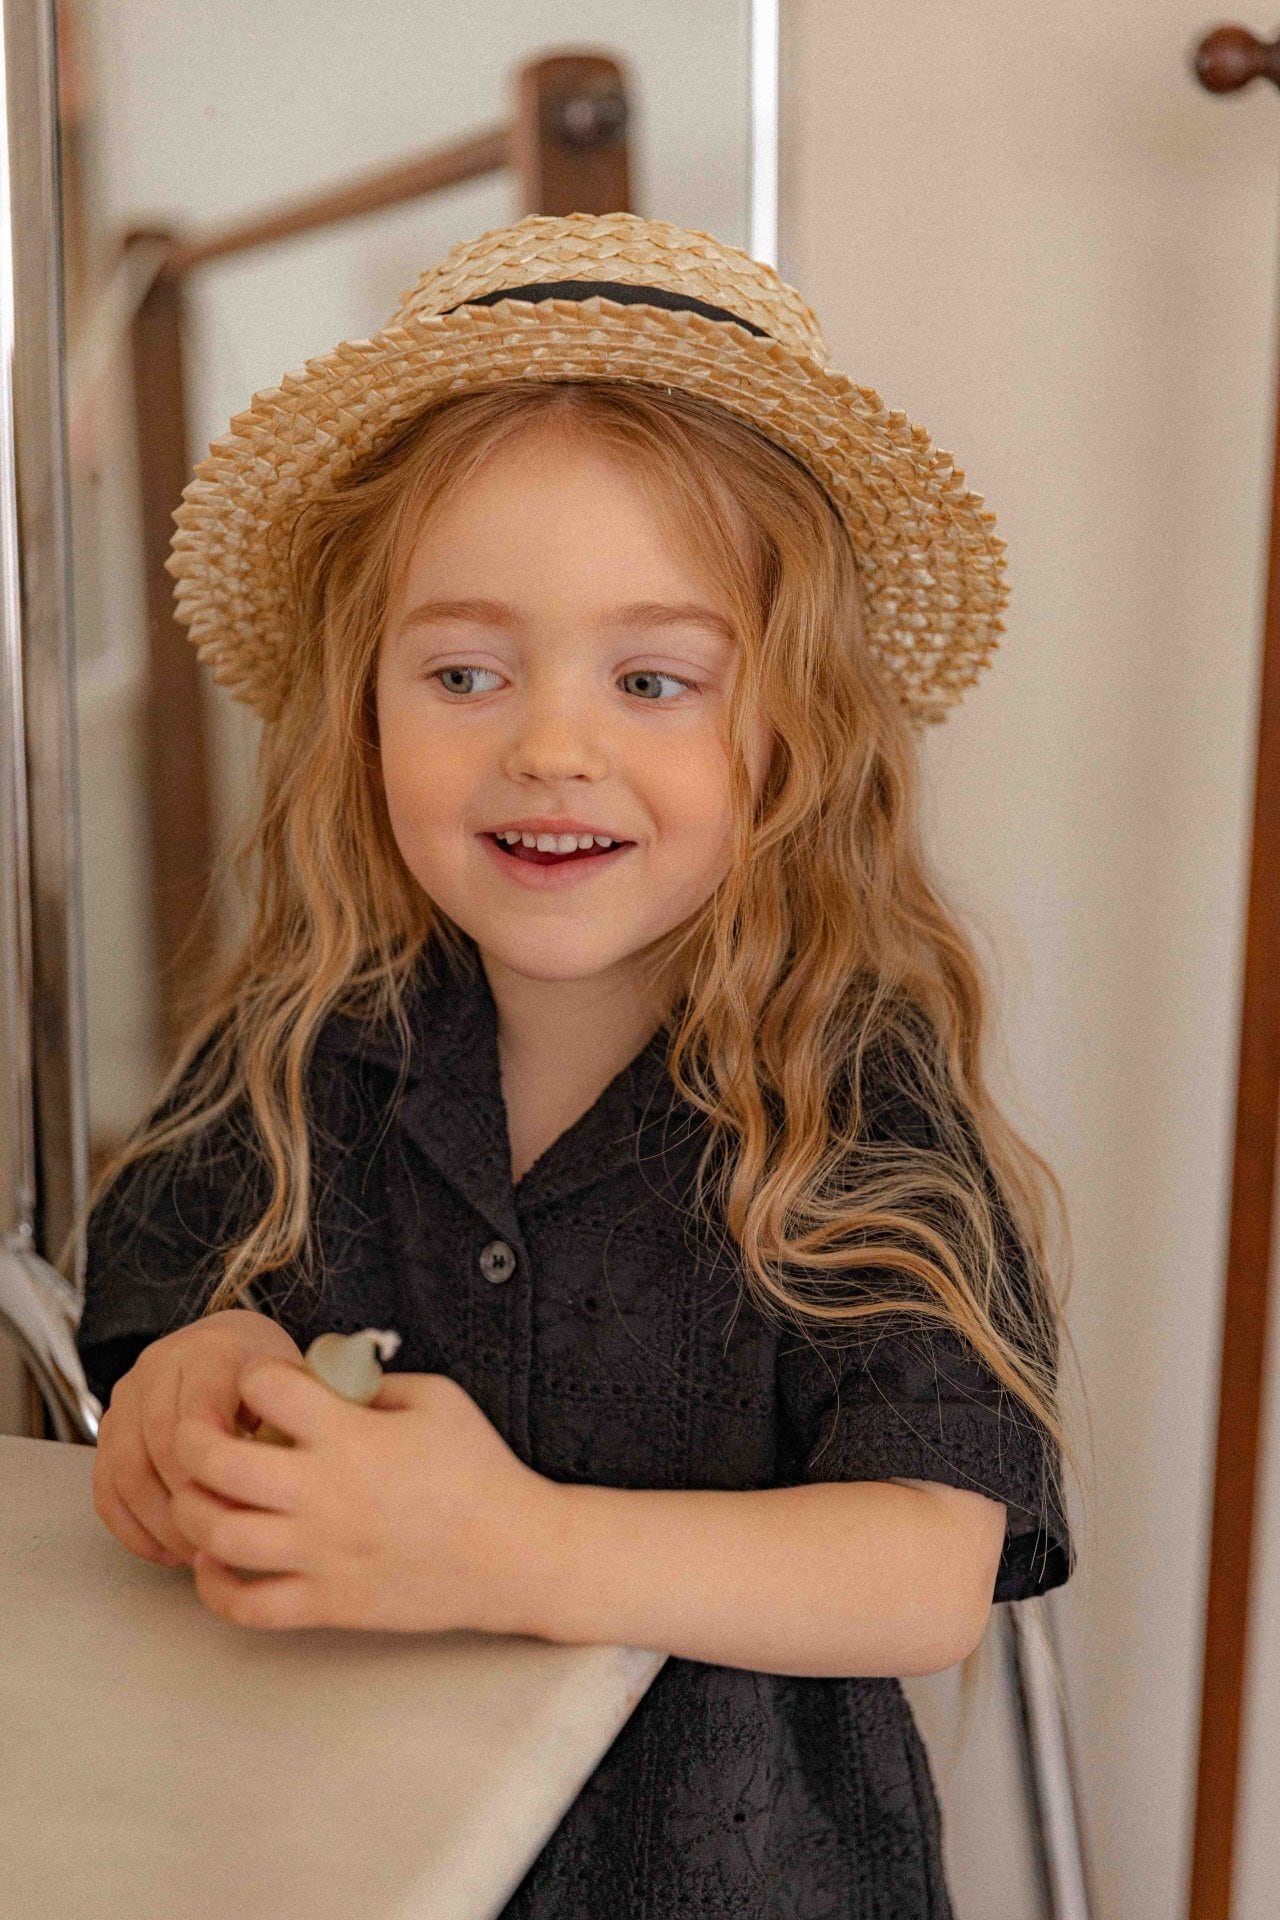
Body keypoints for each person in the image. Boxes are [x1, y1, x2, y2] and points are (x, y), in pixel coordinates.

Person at [68, 211, 1083, 1918]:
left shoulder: (849, 1090)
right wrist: (203, 1368)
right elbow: (169, 1298)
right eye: (464, 672)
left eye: (652, 679)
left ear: (792, 730)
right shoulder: (313, 1031)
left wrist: (515, 1547)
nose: (550, 745)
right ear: (363, 713)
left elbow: (926, 1566)